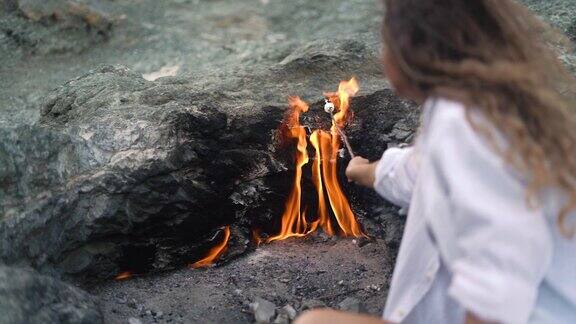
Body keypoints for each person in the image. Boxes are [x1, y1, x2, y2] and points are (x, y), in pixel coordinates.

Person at [295, 0, 576, 323]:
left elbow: (499, 290)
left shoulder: (465, 124)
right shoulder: (476, 107)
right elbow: (419, 170)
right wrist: (365, 171)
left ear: (408, 49)